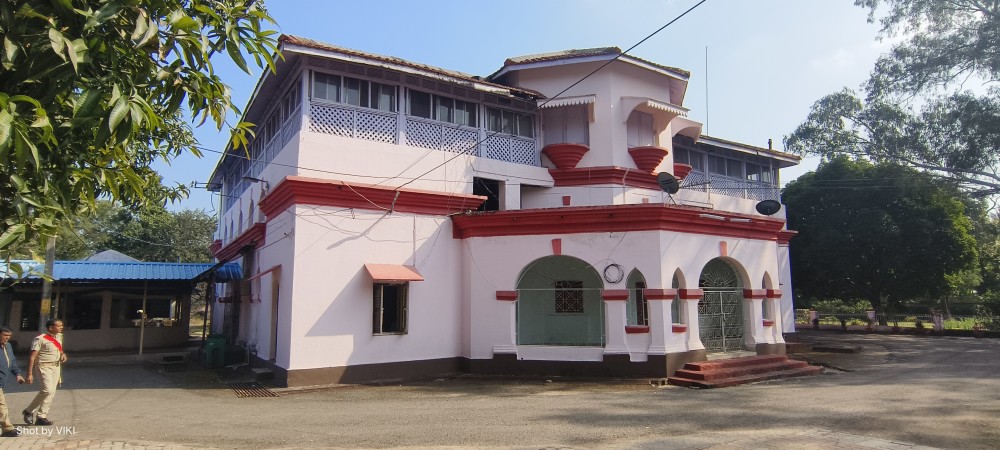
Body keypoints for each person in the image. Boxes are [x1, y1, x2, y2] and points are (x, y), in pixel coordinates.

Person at [23, 319, 67, 426]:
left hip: (56, 367)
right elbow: (32, 357)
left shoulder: (59, 337)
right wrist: (29, 374)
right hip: (43, 367)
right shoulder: (39, 339)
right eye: (59, 326)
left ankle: (41, 416)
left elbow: (59, 349)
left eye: (62, 326)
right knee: (47, 390)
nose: (61, 327)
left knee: (51, 392)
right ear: (51, 328)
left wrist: (62, 354)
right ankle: (28, 411)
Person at [0, 327, 26, 437]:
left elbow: (12, 361)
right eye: (5, 336)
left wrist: (18, 374)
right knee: (2, 406)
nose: (7, 338)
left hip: (1, 381)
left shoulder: (8, 346)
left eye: (9, 336)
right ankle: (7, 428)